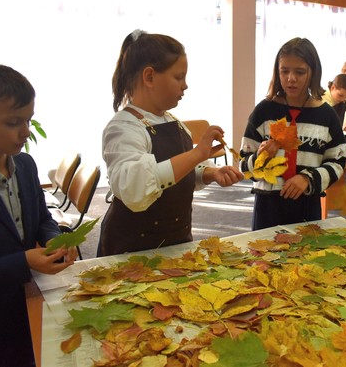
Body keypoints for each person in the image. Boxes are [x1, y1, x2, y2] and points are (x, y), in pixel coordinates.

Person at [98, 30, 243, 256]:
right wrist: (197, 154)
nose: (185, 85)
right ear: (149, 77)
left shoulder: (172, 121)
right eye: (178, 77)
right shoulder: (124, 128)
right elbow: (136, 188)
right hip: (133, 250)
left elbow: (177, 171)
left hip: (175, 241)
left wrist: (209, 173)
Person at [0, 62, 77, 367]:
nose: (26, 131)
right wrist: (23, 262)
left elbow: (42, 218)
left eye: (29, 120)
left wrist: (55, 240)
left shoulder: (24, 165)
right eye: (13, 122)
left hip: (29, 302)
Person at [240, 37, 346, 230]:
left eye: (299, 72)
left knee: (306, 256)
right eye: (284, 71)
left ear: (313, 73)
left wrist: (308, 179)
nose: (291, 78)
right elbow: (244, 165)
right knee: (265, 255)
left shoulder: (326, 115)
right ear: (277, 72)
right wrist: (260, 157)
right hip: (268, 205)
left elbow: (337, 162)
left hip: (307, 203)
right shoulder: (263, 112)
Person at [322, 73, 346, 149]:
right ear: (333, 87)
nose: (343, 99)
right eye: (340, 95)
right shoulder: (320, 98)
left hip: (336, 144)